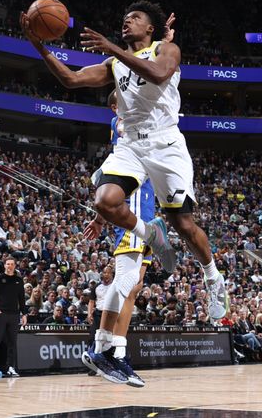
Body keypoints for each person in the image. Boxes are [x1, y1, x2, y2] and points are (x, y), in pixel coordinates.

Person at [21, 3, 229, 322]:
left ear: (149, 29)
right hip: (131, 144)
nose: (127, 21)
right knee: (105, 201)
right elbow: (71, 79)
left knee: (184, 225)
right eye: (124, 18)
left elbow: (159, 75)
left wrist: (114, 49)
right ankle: (150, 233)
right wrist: (39, 46)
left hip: (165, 143)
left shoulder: (166, 49)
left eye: (135, 18)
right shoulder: (114, 62)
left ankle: (213, 276)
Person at [82, 89, 156, 387]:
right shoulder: (124, 122)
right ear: (116, 108)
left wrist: (100, 217)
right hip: (134, 209)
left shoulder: (133, 130)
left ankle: (118, 352)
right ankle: (101, 349)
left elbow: (102, 175)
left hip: (146, 211)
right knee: (125, 282)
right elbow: (103, 175)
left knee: (134, 286)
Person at [0, 258, 26, 378]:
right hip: (1, 314)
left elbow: (22, 299)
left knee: (12, 343)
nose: (9, 266)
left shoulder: (19, 280)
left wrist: (24, 314)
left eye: (12, 264)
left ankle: (10, 367)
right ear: (4, 266)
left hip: (14, 314)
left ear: (15, 266)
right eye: (8, 264)